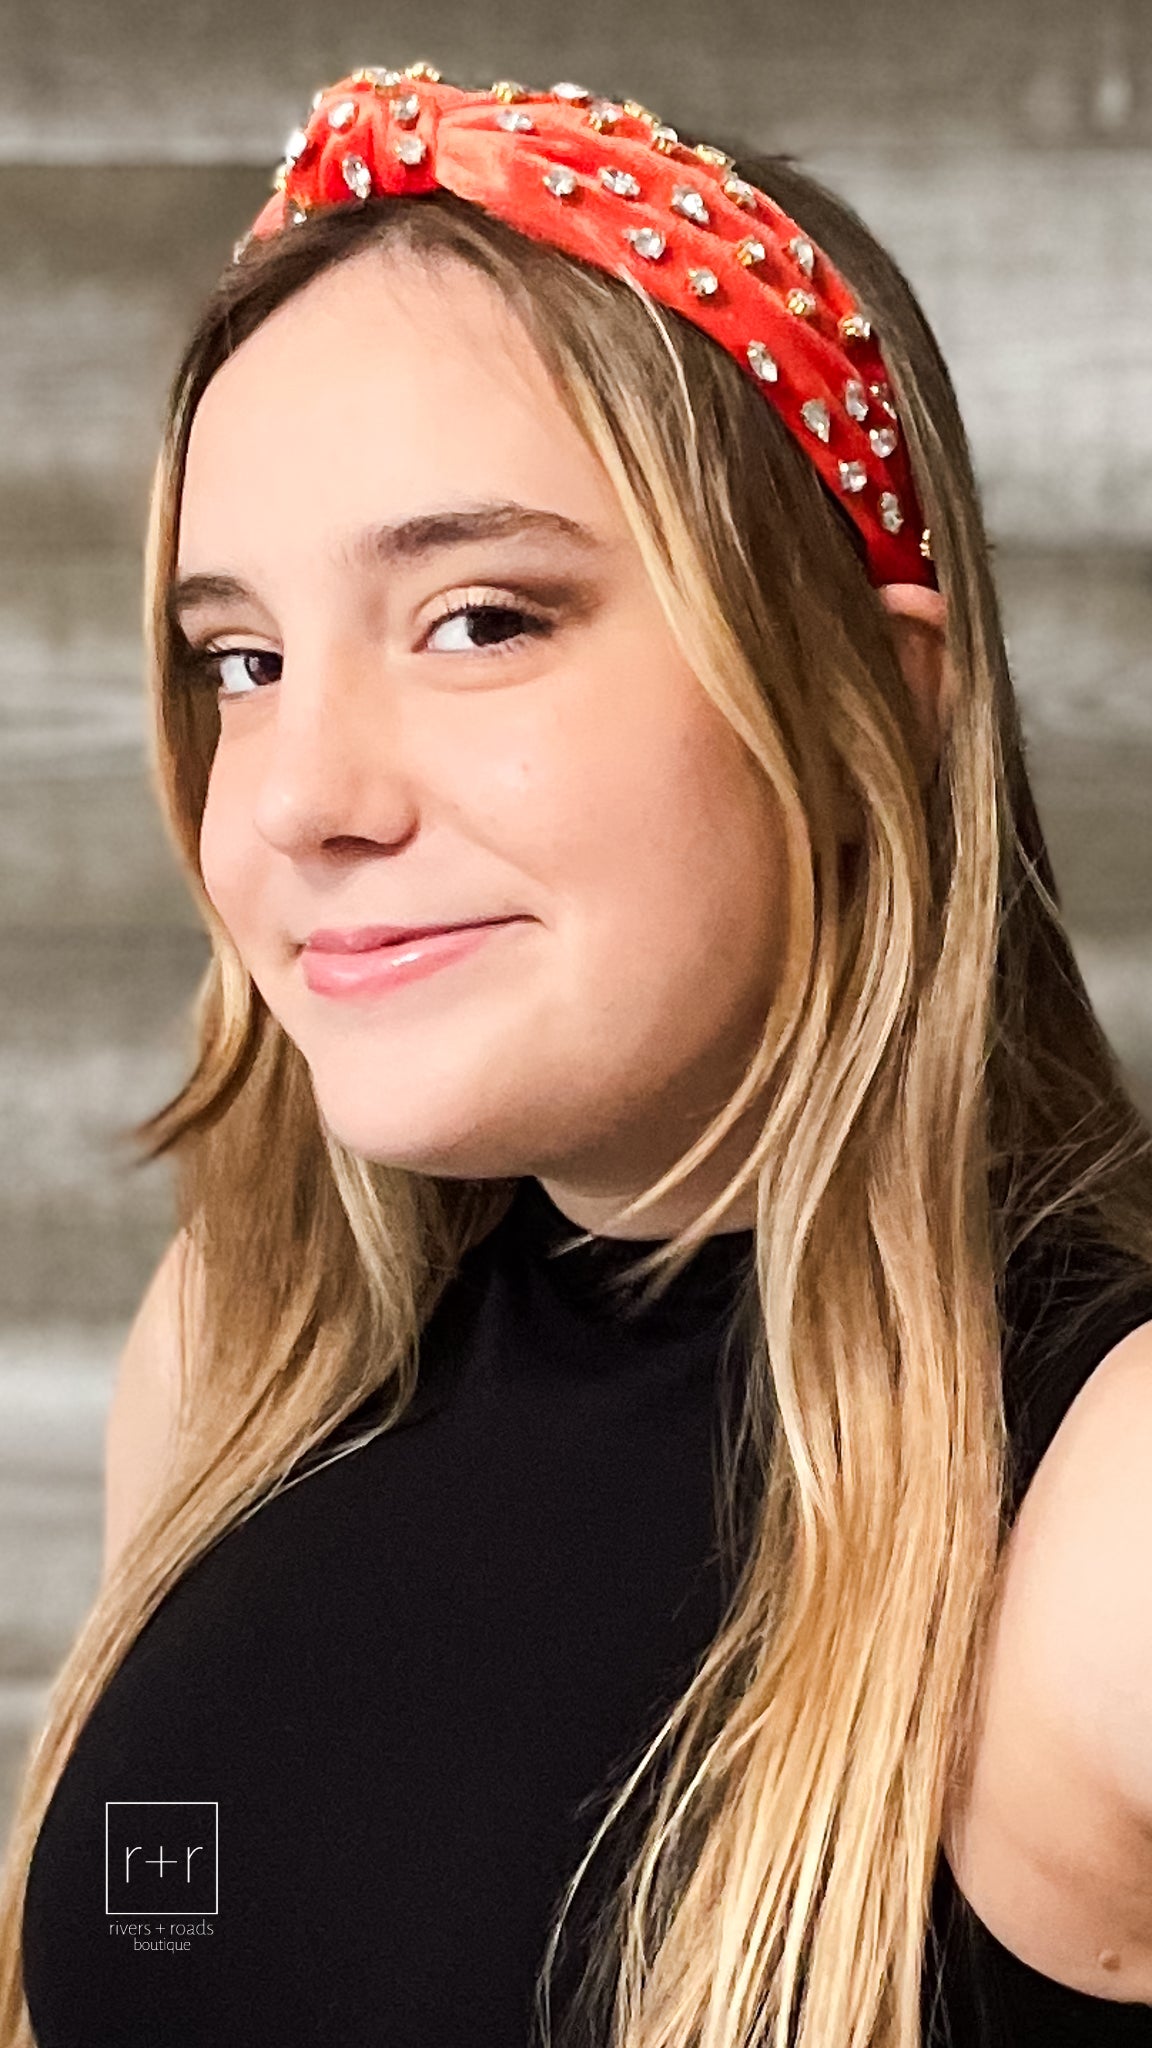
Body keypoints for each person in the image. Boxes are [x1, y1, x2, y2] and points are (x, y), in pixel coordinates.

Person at [3, 58, 1152, 2048]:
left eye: (480, 620)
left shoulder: (1104, 1505)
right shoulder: (239, 1354)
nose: (297, 799)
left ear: (869, 707)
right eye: (242, 660)